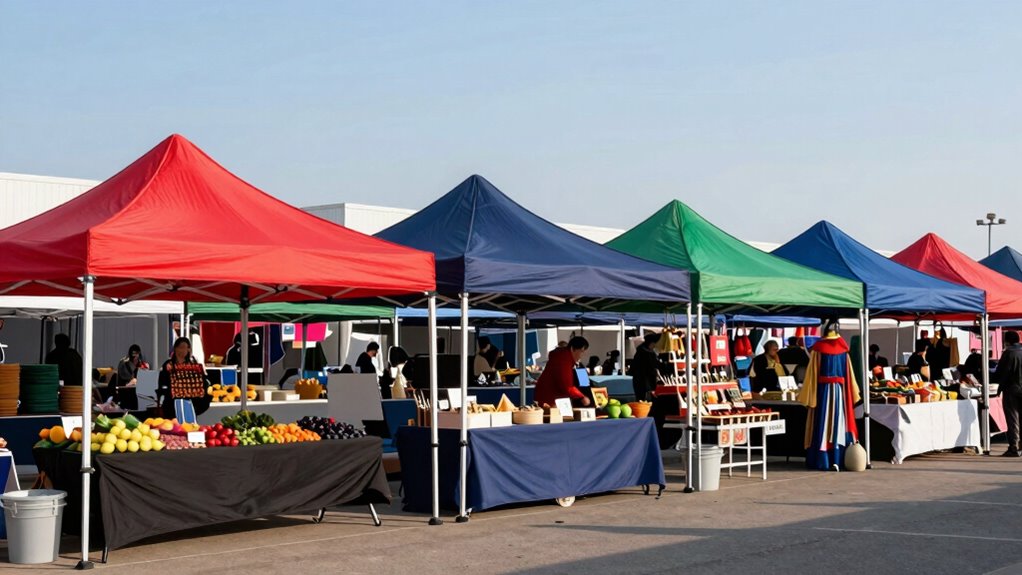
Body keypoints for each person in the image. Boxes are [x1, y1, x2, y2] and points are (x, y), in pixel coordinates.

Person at [157, 337, 211, 417]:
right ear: (175, 349)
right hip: (172, 403)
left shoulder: (194, 365)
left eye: (186, 348)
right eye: (181, 347)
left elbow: (202, 382)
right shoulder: (168, 365)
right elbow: (163, 383)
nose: (183, 350)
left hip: (191, 402)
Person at [535, 336, 591, 407]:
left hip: (552, 397)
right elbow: (567, 386)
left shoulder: (571, 362)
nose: (583, 355)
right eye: (582, 351)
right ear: (572, 349)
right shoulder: (564, 360)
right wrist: (582, 397)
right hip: (551, 399)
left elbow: (584, 383)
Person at [994, 331, 1022, 457]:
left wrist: (997, 385)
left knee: (1012, 419)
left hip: (1011, 390)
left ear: (1007, 341)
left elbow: (1000, 372)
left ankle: (1013, 447)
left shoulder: (1008, 353)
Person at [631, 333, 661, 402]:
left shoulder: (646, 352)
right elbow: (647, 370)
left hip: (644, 382)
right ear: (650, 343)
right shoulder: (643, 354)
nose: (655, 346)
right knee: (643, 401)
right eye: (654, 344)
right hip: (643, 382)